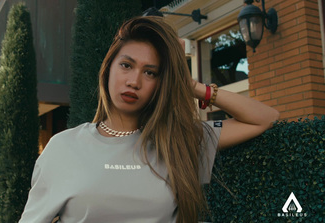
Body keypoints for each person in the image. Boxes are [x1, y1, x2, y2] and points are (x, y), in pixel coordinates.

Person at [19, 16, 279, 223]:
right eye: (126, 65)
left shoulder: (178, 141)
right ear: (108, 68)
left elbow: (264, 118)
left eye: (150, 72)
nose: (134, 81)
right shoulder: (63, 147)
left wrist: (192, 86)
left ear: (161, 83)